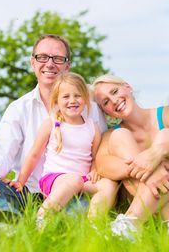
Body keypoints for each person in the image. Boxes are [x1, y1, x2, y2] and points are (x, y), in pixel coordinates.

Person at [0, 34, 107, 222]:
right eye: (42, 57)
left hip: (72, 191)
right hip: (26, 190)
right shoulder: (19, 109)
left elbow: (103, 150)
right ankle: (1, 226)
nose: (50, 64)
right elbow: (3, 150)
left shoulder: (90, 109)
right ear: (33, 63)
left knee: (85, 205)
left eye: (58, 58)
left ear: (67, 66)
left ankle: (54, 225)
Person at [92, 74, 169, 244]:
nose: (114, 101)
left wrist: (156, 153)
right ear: (105, 111)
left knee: (166, 135)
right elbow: (102, 165)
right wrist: (143, 167)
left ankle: (131, 222)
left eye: (115, 91)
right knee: (120, 135)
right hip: (148, 209)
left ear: (128, 87)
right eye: (106, 102)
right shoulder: (112, 134)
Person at [9, 72, 118, 228]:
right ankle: (42, 217)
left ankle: (94, 223)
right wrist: (21, 181)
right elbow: (33, 155)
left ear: (86, 99)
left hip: (82, 180)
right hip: (54, 180)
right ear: (56, 101)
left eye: (77, 96)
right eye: (66, 97)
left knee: (109, 185)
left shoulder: (92, 127)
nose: (72, 101)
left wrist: (94, 170)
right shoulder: (51, 124)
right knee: (74, 180)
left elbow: (94, 157)